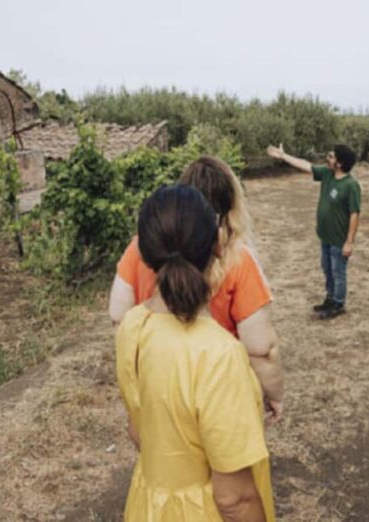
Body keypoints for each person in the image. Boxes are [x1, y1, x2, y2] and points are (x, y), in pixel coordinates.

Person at [116, 184, 274, 521]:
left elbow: (137, 430)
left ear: (143, 255)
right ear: (217, 245)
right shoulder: (219, 355)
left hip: (148, 506)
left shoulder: (132, 326)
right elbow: (235, 499)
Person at [109, 156, 284, 423]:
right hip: (219, 390)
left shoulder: (141, 246)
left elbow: (119, 315)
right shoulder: (238, 259)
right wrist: (273, 393)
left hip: (158, 392)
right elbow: (260, 348)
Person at [266, 143, 361, 320]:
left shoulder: (350, 185)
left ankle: (338, 304)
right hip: (325, 236)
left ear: (339, 164)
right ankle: (330, 297)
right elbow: (305, 165)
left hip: (339, 240)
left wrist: (349, 242)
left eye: (332, 157)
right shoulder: (327, 174)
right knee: (327, 269)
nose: (328, 158)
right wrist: (284, 156)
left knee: (338, 272)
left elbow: (354, 214)